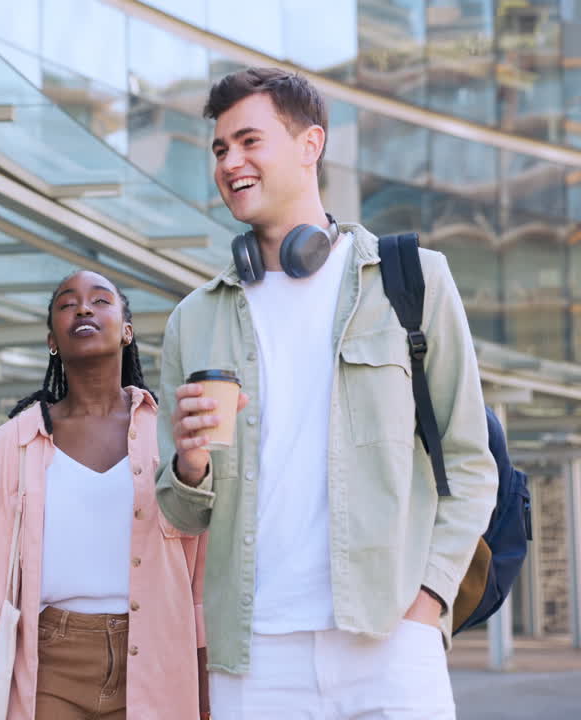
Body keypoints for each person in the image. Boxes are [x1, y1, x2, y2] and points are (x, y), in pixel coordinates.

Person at [155, 67, 498, 719]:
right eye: (220, 149)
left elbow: (471, 461)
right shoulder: (193, 319)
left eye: (250, 141)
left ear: (311, 145)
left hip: (391, 639)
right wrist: (190, 462)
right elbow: (180, 514)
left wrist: (428, 600)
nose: (231, 162)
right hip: (256, 656)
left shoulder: (414, 281)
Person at [0, 270, 207, 720]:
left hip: (158, 660)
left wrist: (205, 686)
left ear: (127, 330)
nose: (83, 308)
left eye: (100, 300)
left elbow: (198, 569)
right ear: (52, 339)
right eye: (67, 304)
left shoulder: (168, 437)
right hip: (50, 665)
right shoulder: (12, 445)